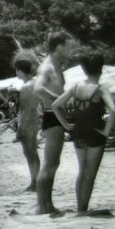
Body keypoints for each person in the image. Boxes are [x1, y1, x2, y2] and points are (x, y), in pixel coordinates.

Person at [52, 53, 115, 213]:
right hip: (95, 132)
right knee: (90, 173)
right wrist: (106, 131)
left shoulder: (75, 86)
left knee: (82, 171)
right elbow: (113, 110)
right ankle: (83, 208)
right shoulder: (100, 90)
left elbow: (55, 105)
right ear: (101, 70)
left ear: (84, 70)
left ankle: (80, 206)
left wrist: (66, 125)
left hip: (78, 132)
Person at [33, 32, 71, 214]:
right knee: (49, 163)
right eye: (68, 46)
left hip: (54, 114)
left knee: (53, 163)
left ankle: (47, 203)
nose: (70, 50)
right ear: (59, 47)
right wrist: (59, 99)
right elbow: (37, 88)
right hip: (51, 114)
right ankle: (42, 206)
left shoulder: (56, 66)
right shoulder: (47, 67)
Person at [14, 54, 40, 192]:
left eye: (16, 70)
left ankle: (34, 182)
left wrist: (20, 129)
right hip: (35, 120)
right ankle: (37, 180)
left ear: (20, 70)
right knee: (33, 151)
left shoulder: (25, 87)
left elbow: (24, 110)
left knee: (29, 152)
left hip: (28, 122)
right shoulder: (36, 83)